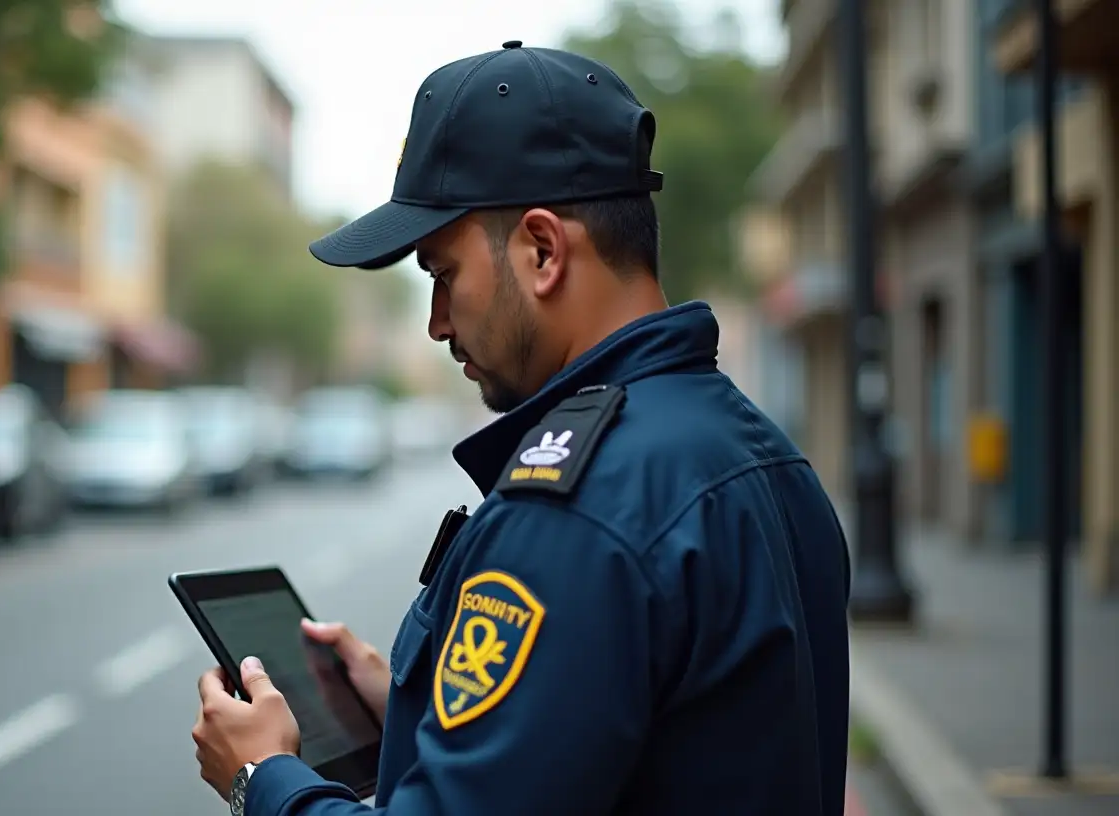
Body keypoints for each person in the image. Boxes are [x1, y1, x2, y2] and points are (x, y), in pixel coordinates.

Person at [191, 41, 851, 815]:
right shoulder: (761, 453)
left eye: (442, 275)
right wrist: (412, 704)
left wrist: (262, 777)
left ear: (542, 250)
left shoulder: (575, 515)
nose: (437, 323)